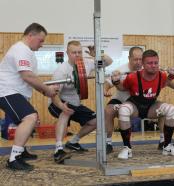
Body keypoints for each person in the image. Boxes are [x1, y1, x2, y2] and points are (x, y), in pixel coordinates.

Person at [0, 23, 59, 171]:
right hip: (6, 91)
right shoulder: (21, 50)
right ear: (30, 36)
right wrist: (47, 90)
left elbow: (32, 79)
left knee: (29, 120)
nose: (42, 44)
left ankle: (21, 150)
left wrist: (46, 90)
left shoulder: (27, 52)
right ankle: (14, 159)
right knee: (30, 117)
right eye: (41, 40)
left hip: (15, 91)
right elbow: (27, 76)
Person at [111, 49, 174, 159]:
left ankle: (167, 146)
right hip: (135, 106)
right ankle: (127, 148)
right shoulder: (133, 77)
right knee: (123, 109)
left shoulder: (162, 75)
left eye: (156, 63)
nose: (153, 66)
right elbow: (122, 88)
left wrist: (172, 76)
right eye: (150, 63)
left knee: (171, 109)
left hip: (151, 107)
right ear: (143, 64)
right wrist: (116, 81)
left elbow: (166, 83)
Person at [48, 40, 112, 163]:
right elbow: (53, 95)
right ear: (67, 53)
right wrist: (61, 106)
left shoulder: (87, 63)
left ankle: (73, 142)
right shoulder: (61, 71)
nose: (77, 55)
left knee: (98, 119)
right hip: (57, 102)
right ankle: (58, 150)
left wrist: (97, 54)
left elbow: (108, 62)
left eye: (79, 52)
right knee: (66, 112)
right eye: (73, 52)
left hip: (75, 104)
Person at [104, 47, 166, 154]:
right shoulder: (121, 70)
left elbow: (163, 81)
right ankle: (108, 143)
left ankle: (163, 140)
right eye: (135, 59)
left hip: (140, 102)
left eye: (140, 59)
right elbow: (108, 83)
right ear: (129, 58)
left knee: (163, 109)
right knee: (108, 111)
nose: (138, 62)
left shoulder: (148, 69)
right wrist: (105, 90)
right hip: (121, 100)